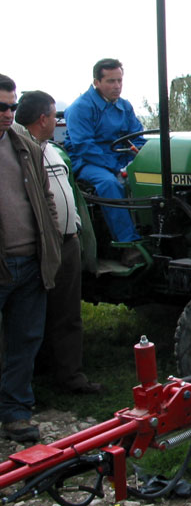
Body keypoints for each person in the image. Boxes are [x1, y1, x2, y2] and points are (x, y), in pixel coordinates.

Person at [13, 91, 102, 395]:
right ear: (43, 119)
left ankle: (70, 376)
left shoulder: (54, 151)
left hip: (68, 242)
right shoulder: (17, 151)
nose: (56, 120)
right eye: (54, 115)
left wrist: (76, 229)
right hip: (38, 246)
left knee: (68, 314)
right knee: (29, 317)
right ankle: (28, 381)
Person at [0, 74, 62, 442]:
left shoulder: (24, 145)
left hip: (30, 262)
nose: (8, 113)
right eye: (1, 107)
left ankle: (15, 413)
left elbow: (46, 199)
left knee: (25, 340)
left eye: (11, 106)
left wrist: (51, 239)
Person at [65, 58, 145, 265]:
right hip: (87, 161)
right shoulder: (80, 108)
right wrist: (116, 167)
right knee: (109, 183)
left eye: (119, 80)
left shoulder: (124, 106)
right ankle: (129, 244)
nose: (117, 86)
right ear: (96, 82)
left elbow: (137, 137)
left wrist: (139, 157)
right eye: (111, 81)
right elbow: (83, 146)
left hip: (119, 157)